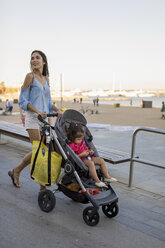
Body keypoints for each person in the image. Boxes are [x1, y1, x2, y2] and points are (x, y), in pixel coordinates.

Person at [8, 50, 62, 190]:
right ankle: (43, 189)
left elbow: (48, 102)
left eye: (37, 58)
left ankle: (16, 171)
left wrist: (57, 111)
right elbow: (22, 101)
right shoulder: (29, 77)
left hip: (45, 120)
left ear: (44, 61)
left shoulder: (46, 79)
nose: (34, 60)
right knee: (39, 150)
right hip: (33, 118)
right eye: (32, 58)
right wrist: (38, 112)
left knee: (39, 150)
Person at [67, 122, 117, 188]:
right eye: (78, 139)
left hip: (88, 157)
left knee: (101, 160)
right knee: (91, 164)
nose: (80, 141)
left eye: (81, 139)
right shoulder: (71, 145)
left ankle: (107, 177)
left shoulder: (82, 142)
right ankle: (97, 181)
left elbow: (85, 148)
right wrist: (82, 155)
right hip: (81, 160)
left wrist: (90, 151)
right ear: (72, 138)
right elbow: (73, 157)